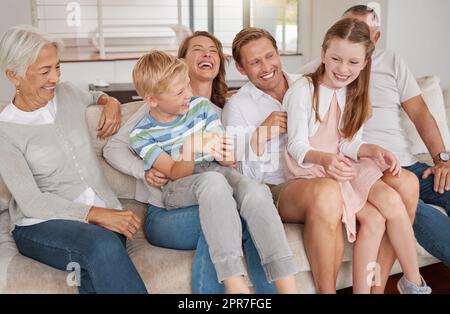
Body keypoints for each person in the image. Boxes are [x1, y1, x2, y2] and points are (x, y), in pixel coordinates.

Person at [103, 31, 278, 293]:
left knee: (234, 215)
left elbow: (233, 164)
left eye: (213, 49)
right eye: (197, 48)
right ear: (182, 60)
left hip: (215, 195)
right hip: (167, 209)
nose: (207, 53)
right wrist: (143, 170)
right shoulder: (156, 107)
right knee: (223, 218)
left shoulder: (222, 111)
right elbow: (113, 147)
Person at [300, 4, 450, 292]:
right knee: (409, 204)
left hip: (408, 162)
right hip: (369, 169)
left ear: (376, 39)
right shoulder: (326, 70)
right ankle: (395, 285)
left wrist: (442, 159)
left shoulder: (391, 62)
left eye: (362, 31)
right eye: (347, 28)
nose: (353, 35)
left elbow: (420, 112)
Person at [0, 25, 147, 294]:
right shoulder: (5, 131)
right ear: (14, 76)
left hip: (105, 219)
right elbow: (32, 202)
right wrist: (96, 215)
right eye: (45, 71)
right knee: (101, 245)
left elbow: (94, 96)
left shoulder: (66, 93)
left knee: (98, 262)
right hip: (41, 225)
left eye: (57, 67)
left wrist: (110, 102)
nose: (54, 78)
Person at [222, 27, 345, 293]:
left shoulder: (308, 85)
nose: (266, 66)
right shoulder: (238, 107)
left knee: (336, 192)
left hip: (317, 173)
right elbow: (241, 173)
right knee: (326, 192)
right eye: (254, 62)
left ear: (279, 54)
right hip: (275, 188)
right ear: (242, 69)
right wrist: (260, 135)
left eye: (269, 56)